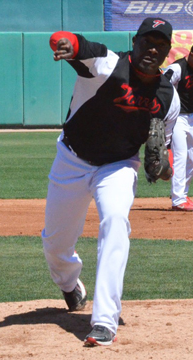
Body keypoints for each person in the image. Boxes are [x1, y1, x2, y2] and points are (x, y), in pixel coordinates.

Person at [41, 17, 180, 346]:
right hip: (72, 159)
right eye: (147, 41)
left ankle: (104, 321)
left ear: (167, 52)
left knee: (116, 221)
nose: (152, 49)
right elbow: (76, 43)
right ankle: (69, 283)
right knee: (56, 243)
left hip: (118, 166)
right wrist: (64, 43)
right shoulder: (107, 64)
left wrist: (162, 168)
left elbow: (166, 159)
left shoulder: (167, 97)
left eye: (160, 46)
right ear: (135, 41)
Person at [163, 41, 193, 211]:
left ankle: (181, 193)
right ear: (191, 55)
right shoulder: (177, 68)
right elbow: (161, 87)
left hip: (190, 117)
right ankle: (178, 200)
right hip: (175, 118)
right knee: (180, 156)